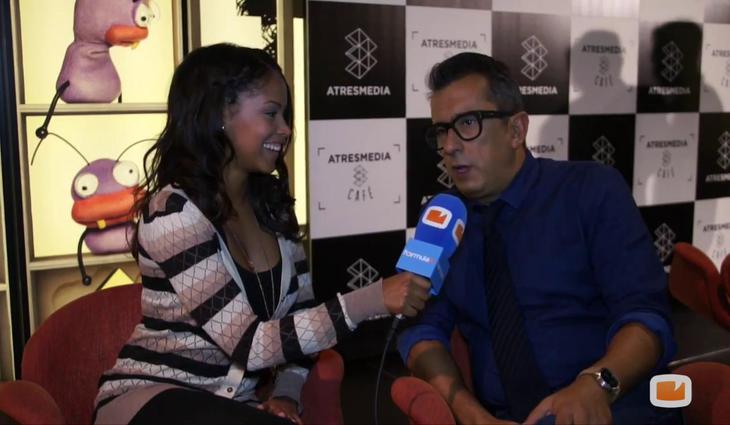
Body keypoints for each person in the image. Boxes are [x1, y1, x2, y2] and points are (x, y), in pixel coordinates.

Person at [93, 43, 430, 425]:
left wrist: (286, 394)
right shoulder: (173, 213)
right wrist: (372, 299)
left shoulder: (273, 208)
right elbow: (249, 345)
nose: (285, 129)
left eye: (285, 115)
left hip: (232, 406)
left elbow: (301, 321)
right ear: (219, 114)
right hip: (150, 400)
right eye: (271, 113)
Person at [397, 52, 682, 425]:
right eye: (441, 130)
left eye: (467, 123)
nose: (449, 146)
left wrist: (595, 385)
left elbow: (647, 317)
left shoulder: (591, 191)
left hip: (613, 408)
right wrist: (473, 416)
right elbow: (423, 329)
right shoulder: (443, 218)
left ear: (516, 130)